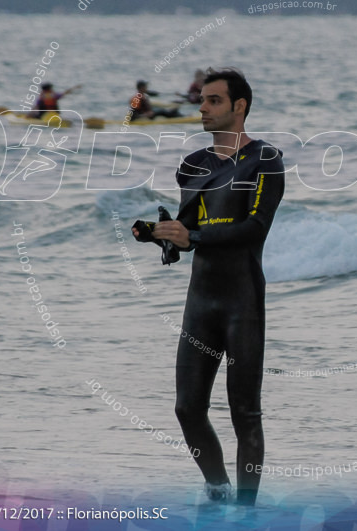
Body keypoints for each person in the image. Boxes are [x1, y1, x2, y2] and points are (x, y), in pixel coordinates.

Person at [133, 68, 285, 506]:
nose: (201, 107)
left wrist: (191, 237)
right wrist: (164, 235)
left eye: (213, 100)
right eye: (202, 99)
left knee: (245, 415)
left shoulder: (265, 159)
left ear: (239, 107)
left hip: (242, 301)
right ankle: (218, 493)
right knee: (187, 410)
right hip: (201, 300)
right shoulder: (194, 165)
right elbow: (191, 227)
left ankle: (247, 511)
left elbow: (255, 228)